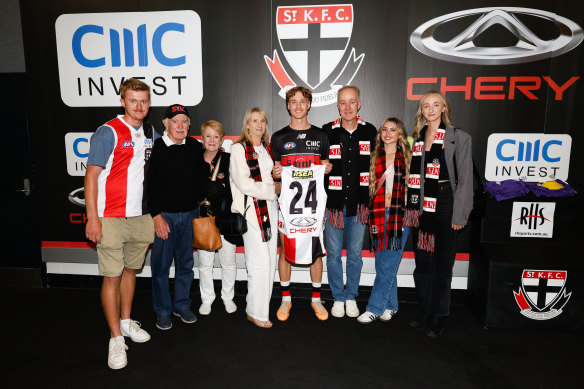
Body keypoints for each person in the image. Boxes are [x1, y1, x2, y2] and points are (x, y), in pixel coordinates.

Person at [85, 78, 155, 369]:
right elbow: (90, 176)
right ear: (123, 101)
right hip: (110, 217)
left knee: (130, 271)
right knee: (111, 277)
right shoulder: (108, 132)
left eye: (144, 101)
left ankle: (126, 322)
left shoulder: (151, 131)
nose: (139, 106)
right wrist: (93, 218)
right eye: (133, 100)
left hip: (140, 217)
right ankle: (115, 339)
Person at [404, 90, 473, 338]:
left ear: (444, 108)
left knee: (443, 263)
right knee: (423, 262)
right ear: (421, 111)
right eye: (425, 106)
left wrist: (460, 215)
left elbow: (465, 180)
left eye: (435, 105)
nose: (430, 109)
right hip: (421, 204)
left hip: (447, 200)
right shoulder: (417, 138)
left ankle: (439, 315)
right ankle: (425, 309)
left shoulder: (459, 137)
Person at [271, 86, 332, 321]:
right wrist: (277, 173)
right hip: (287, 207)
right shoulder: (278, 137)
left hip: (314, 206)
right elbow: (276, 174)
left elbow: (325, 167)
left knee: (316, 250)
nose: (298, 106)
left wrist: (326, 169)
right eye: (293, 101)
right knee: (286, 249)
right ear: (288, 105)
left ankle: (316, 299)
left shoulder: (321, 136)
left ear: (309, 105)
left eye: (302, 101)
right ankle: (286, 299)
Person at [147, 104, 204, 331]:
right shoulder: (157, 148)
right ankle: (162, 310)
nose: (180, 126)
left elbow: (200, 181)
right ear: (166, 124)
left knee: (186, 265)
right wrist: (157, 217)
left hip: (190, 215)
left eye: (184, 121)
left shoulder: (194, 146)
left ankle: (182, 305)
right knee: (160, 267)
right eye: (175, 121)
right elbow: (149, 187)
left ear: (189, 125)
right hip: (165, 217)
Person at [322, 85, 377, 318]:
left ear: (359, 104)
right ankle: (337, 297)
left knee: (355, 255)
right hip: (333, 204)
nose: (347, 107)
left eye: (352, 102)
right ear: (337, 105)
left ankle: (351, 296)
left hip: (360, 204)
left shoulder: (370, 131)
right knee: (333, 255)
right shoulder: (327, 131)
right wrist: (321, 167)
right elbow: (316, 163)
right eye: (343, 102)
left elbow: (380, 164)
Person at [357, 118, 412, 324]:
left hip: (401, 215)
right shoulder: (374, 157)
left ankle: (374, 307)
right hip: (379, 214)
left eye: (393, 130)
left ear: (400, 134)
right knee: (383, 264)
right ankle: (392, 305)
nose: (388, 133)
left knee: (388, 264)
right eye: (384, 130)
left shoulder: (408, 157)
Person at [230, 107, 278, 328]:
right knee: (258, 264)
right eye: (254, 121)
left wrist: (276, 176)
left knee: (269, 264)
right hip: (252, 213)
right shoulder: (238, 149)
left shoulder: (267, 148)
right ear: (247, 124)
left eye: (263, 121)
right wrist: (272, 188)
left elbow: (269, 175)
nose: (259, 125)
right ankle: (256, 312)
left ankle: (259, 308)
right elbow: (244, 183)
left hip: (271, 211)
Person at [197, 120, 238, 316]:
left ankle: (227, 297)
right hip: (203, 219)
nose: (212, 140)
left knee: (228, 261)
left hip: (225, 218)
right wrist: (214, 189)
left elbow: (236, 188)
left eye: (216, 136)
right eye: (208, 136)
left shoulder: (230, 159)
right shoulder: (194, 161)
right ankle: (207, 299)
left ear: (222, 139)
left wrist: (221, 190)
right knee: (205, 263)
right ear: (202, 138)